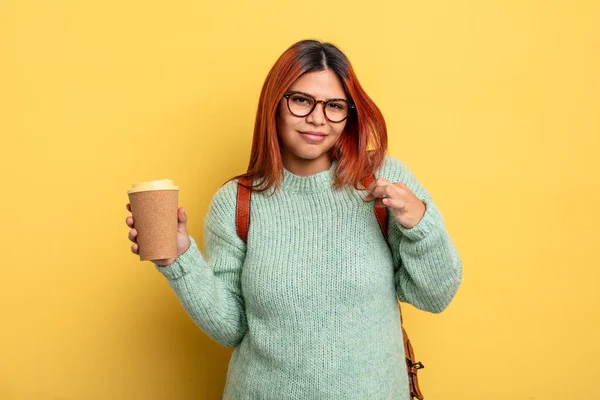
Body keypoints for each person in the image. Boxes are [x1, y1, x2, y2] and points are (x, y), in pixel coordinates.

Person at [125, 39, 462, 399]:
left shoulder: (382, 181)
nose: (317, 118)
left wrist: (419, 224)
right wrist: (179, 260)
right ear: (275, 104)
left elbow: (435, 296)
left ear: (349, 113)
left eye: (334, 106)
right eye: (301, 100)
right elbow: (232, 328)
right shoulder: (237, 202)